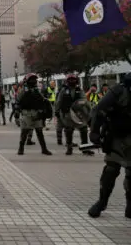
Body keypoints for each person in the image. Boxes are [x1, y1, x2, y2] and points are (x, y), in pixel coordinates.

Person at [87, 73, 131, 219]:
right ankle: (102, 202)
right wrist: (94, 132)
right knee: (111, 170)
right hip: (117, 138)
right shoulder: (119, 91)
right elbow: (100, 110)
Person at [55, 74, 93, 156]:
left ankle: (85, 149)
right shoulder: (63, 90)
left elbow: (84, 101)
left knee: (83, 130)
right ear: (67, 81)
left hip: (78, 114)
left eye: (73, 79)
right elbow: (59, 101)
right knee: (68, 131)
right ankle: (69, 148)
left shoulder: (79, 90)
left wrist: (88, 112)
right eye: (70, 80)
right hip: (67, 113)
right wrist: (57, 111)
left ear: (76, 80)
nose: (72, 81)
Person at [16, 73, 52, 156]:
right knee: (24, 132)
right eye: (31, 79)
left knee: (39, 132)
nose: (34, 81)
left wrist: (45, 103)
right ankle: (21, 148)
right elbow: (18, 101)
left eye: (34, 80)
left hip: (36, 113)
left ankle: (44, 149)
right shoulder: (23, 90)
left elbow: (42, 99)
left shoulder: (36, 90)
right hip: (26, 113)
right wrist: (17, 112)